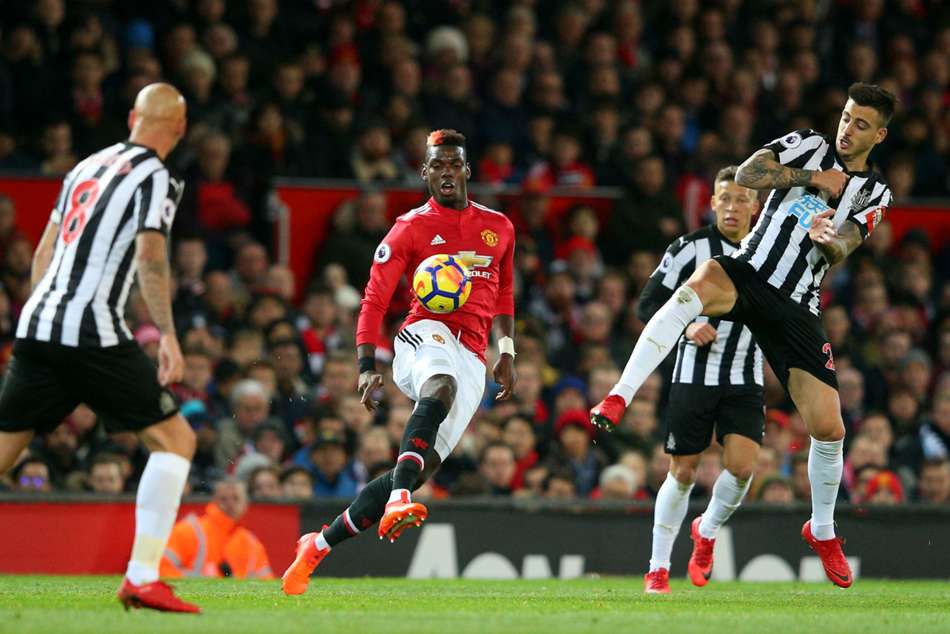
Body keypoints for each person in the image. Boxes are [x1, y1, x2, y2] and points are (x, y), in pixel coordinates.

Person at [592, 82, 896, 590]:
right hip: (750, 271)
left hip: (796, 302)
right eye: (846, 117)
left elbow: (848, 241)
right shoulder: (808, 143)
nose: (848, 129)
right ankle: (620, 395)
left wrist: (828, 239)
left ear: (879, 135)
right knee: (695, 286)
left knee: (830, 428)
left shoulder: (876, 192)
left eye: (861, 124)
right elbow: (750, 172)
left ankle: (822, 530)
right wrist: (811, 177)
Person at [282, 129, 517, 595]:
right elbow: (374, 299)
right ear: (424, 173)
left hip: (474, 354)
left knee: (418, 467)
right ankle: (399, 499)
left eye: (454, 164)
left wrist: (506, 350)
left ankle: (318, 545)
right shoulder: (409, 228)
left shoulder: (500, 227)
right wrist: (366, 364)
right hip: (423, 333)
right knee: (441, 384)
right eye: (437, 165)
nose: (446, 172)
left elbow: (504, 291)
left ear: (467, 170)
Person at [0, 83, 200, 613]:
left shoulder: (85, 166)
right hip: (91, 329)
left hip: (38, 323)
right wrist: (168, 335)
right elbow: (151, 257)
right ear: (180, 129)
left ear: (133, 117)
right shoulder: (157, 177)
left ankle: (142, 578)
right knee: (175, 440)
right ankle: (142, 577)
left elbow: (44, 253)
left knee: (3, 450)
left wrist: (42, 321)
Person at [636, 165, 764, 594]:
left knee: (742, 468)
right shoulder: (689, 248)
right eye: (724, 198)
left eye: (741, 199)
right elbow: (648, 304)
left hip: (745, 374)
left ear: (756, 206)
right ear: (712, 203)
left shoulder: (770, 251)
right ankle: (657, 569)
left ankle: (705, 529)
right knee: (684, 471)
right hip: (694, 372)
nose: (732, 207)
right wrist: (687, 325)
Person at [160, 479, 273, 579]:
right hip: (189, 597)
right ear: (214, 501)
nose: (230, 504)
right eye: (224, 499)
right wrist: (202, 584)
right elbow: (161, 568)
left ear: (245, 504)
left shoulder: (252, 545)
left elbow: (266, 584)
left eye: (236, 498)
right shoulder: (188, 531)